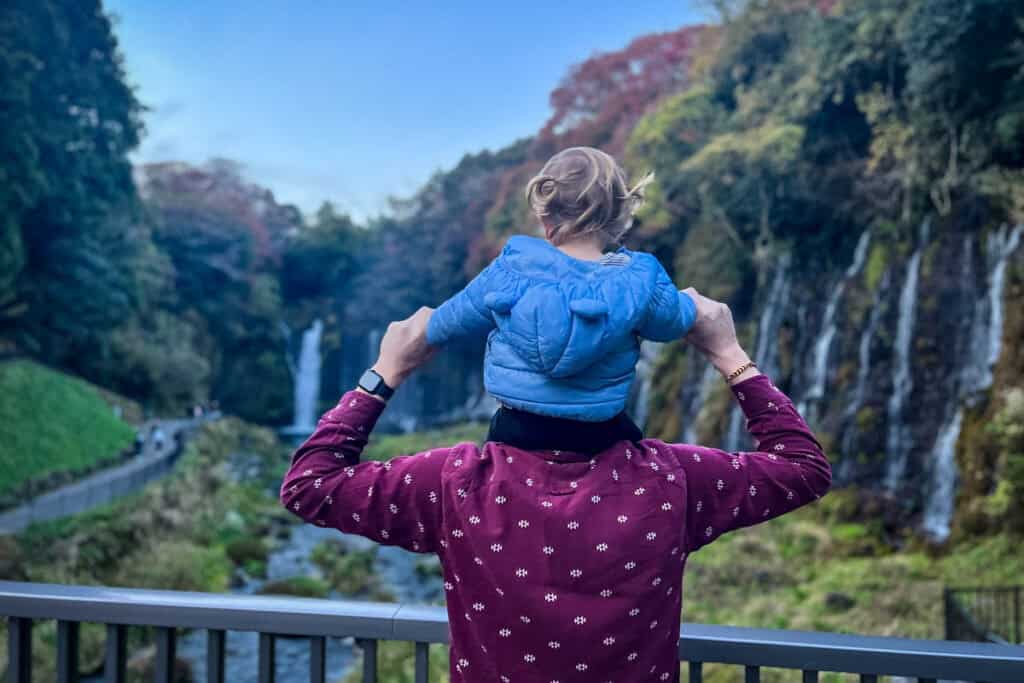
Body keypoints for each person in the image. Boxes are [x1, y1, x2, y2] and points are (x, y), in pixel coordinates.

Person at [281, 294, 831, 682]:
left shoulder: (453, 483)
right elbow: (803, 466)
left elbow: (309, 483)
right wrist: (728, 355)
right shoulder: (672, 479)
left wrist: (385, 371)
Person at [426, 146, 696, 423]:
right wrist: (692, 303)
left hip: (514, 435)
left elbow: (447, 322)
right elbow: (674, 322)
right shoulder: (637, 278)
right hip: (601, 438)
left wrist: (426, 324)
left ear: (545, 217)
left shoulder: (510, 269)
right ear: (619, 219)